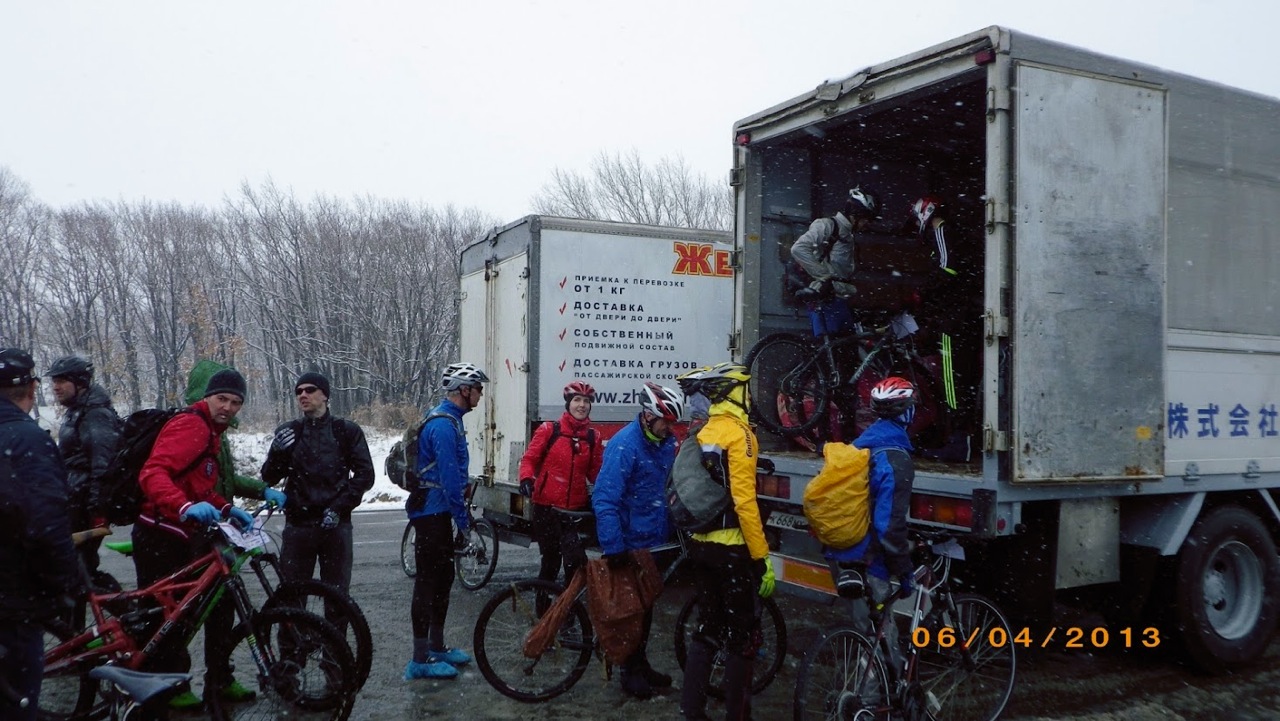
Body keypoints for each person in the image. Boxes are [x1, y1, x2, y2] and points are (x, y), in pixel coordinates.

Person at [133, 367, 256, 708]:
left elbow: (201, 486)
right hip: (160, 532)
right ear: (207, 397)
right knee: (166, 615)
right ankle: (163, 689)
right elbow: (153, 473)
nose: (228, 407)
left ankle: (197, 681)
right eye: (222, 398)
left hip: (179, 531)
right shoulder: (191, 425)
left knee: (198, 606)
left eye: (235, 402)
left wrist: (228, 508)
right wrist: (184, 506)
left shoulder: (212, 432)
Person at [676, 363, 774, 721]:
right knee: (741, 638)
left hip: (700, 544)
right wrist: (762, 558)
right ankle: (738, 715)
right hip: (732, 549)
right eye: (747, 388)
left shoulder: (703, 430)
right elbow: (745, 503)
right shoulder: (741, 434)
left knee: (707, 629)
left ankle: (692, 710)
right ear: (736, 392)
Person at [0, 349, 80, 720]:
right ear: (32, 389)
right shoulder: (26, 440)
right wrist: (65, 582)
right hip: (13, 597)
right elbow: (46, 522)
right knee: (17, 702)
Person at [591, 381, 683, 700]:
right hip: (630, 544)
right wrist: (614, 547)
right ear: (647, 416)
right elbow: (605, 499)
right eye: (665, 422)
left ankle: (641, 663)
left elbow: (665, 489)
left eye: (672, 423)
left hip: (653, 542)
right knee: (630, 612)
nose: (669, 429)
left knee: (646, 608)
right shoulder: (624, 445)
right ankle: (629, 671)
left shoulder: (664, 444)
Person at [260, 371, 373, 624]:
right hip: (298, 527)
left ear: (325, 395)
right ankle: (291, 661)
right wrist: (277, 453)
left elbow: (365, 475)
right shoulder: (290, 431)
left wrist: (339, 507)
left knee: (337, 600)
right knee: (291, 600)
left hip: (336, 527)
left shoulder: (346, 431)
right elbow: (269, 477)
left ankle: (335, 661)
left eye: (309, 390)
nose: (303, 395)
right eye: (298, 391)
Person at [403, 362, 489, 681]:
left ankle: (436, 646)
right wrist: (464, 523)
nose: (481, 394)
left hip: (438, 512)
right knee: (428, 583)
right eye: (478, 389)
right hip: (431, 514)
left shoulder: (452, 420)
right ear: (463, 391)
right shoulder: (442, 425)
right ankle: (419, 658)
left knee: (443, 580)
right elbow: (451, 479)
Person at [824, 376, 918, 660]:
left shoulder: (859, 446)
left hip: (842, 552)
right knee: (882, 644)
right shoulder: (895, 457)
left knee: (865, 630)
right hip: (869, 561)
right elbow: (887, 526)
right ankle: (867, 702)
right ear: (906, 411)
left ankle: (855, 693)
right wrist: (904, 571)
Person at [909, 196, 980, 461]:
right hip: (965, 317)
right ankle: (963, 439)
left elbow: (947, 268)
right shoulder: (960, 235)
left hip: (955, 320)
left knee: (953, 383)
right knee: (966, 381)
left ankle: (958, 443)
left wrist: (921, 292)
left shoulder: (942, 230)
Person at [45, 355, 120, 590]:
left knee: (80, 571)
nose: (55, 386)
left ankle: (130, 617)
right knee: (76, 572)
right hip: (74, 500)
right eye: (53, 381)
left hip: (84, 504)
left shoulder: (95, 413)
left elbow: (103, 464)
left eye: (61, 381)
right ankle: (78, 624)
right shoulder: (77, 410)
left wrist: (98, 510)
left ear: (80, 382)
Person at [517, 380, 603, 584]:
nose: (582, 405)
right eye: (577, 400)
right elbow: (529, 459)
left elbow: (596, 473)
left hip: (575, 510)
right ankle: (544, 609)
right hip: (547, 509)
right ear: (568, 404)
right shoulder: (550, 430)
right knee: (551, 561)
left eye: (586, 401)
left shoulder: (592, 437)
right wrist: (526, 478)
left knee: (574, 564)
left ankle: (568, 610)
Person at [790, 186, 880, 300]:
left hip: (838, 297)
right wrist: (825, 278)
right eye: (866, 219)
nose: (867, 224)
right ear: (856, 213)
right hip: (828, 299)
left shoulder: (847, 233)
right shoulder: (828, 225)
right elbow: (798, 248)